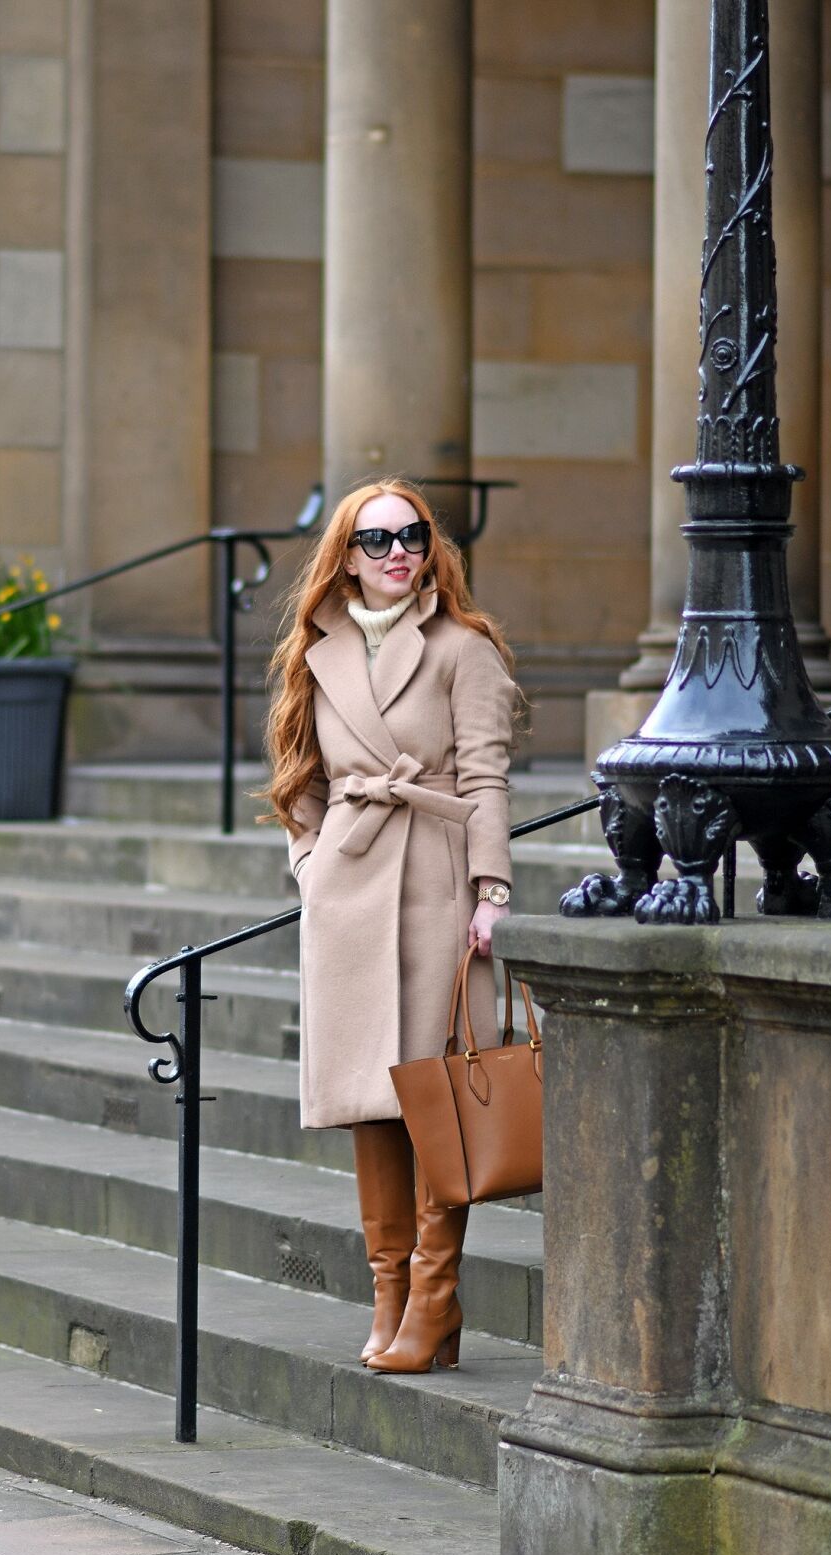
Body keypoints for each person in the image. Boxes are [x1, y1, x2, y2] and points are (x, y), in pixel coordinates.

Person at [263, 479, 516, 1374]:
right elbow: (298, 774)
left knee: (432, 1095)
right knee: (370, 1100)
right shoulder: (317, 649)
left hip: (435, 889)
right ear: (347, 555)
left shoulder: (462, 647)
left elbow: (485, 777)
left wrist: (491, 890)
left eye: (412, 535)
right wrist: (311, 867)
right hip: (349, 893)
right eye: (375, 540)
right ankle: (390, 1292)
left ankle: (436, 1294)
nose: (397, 551)